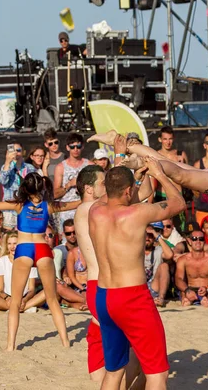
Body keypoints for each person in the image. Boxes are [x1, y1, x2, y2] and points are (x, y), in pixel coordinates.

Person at [89, 161, 185, 389]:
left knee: (114, 371)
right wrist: (159, 174)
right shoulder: (138, 213)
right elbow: (178, 203)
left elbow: (118, 199)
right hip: (132, 298)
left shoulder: (95, 211)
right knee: (157, 373)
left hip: (103, 297)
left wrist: (136, 180)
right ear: (128, 191)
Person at [0, 172, 77, 351]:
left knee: (14, 302)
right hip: (42, 248)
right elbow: (77, 203)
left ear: (25, 189)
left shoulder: (20, 205)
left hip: (24, 248)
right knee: (52, 300)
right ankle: (65, 342)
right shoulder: (49, 206)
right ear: (42, 187)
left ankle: (10, 345)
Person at [74, 160, 146, 385]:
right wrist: (121, 157)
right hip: (100, 284)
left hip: (104, 283)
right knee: (120, 345)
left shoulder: (98, 210)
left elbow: (144, 193)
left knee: (118, 340)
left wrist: (141, 175)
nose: (106, 186)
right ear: (88, 188)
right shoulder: (88, 209)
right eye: (102, 182)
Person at [0, 231, 46, 312]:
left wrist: (24, 300)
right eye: (9, 244)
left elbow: (31, 289)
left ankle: (22, 307)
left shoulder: (29, 261)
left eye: (15, 243)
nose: (12, 247)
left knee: (48, 291)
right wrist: (7, 298)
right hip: (8, 298)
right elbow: (0, 289)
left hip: (25, 297)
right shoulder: (2, 261)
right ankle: (22, 307)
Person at [53, 133, 91, 235]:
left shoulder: (89, 165)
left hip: (84, 209)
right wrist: (68, 185)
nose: (75, 149)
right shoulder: (61, 167)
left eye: (78, 146)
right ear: (67, 148)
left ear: (82, 147)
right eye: (72, 147)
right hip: (66, 212)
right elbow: (55, 194)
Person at [175, 230, 208, 307]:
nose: (198, 241)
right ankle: (187, 299)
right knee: (183, 292)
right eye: (194, 238)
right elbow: (178, 279)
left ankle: (207, 300)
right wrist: (187, 290)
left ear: (204, 241)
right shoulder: (183, 260)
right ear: (189, 241)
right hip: (190, 288)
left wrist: (207, 288)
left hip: (206, 289)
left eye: (201, 239)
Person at [0, 142, 37, 230]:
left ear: (23, 152)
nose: (16, 153)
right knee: (9, 236)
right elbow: (2, 181)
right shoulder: (5, 166)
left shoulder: (30, 167)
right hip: (9, 209)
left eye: (18, 150)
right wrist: (8, 162)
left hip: (25, 206)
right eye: (13, 150)